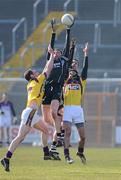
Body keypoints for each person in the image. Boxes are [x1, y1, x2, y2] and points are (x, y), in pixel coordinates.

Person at [0, 44, 55, 172]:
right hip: (31, 112)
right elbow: (48, 68)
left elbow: (46, 69)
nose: (37, 72)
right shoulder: (36, 80)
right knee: (20, 137)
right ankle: (6, 158)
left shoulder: (31, 83)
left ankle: (46, 153)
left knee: (46, 130)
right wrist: (51, 55)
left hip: (32, 113)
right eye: (34, 72)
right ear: (31, 76)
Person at [41, 19, 75, 160]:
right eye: (55, 52)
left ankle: (59, 137)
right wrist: (53, 32)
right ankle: (51, 147)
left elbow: (66, 47)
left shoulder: (63, 61)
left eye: (59, 53)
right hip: (46, 88)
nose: (57, 53)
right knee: (46, 121)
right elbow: (51, 46)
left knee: (55, 113)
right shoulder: (51, 60)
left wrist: (67, 29)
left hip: (56, 88)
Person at [63, 42, 89, 164]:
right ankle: (67, 155)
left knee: (83, 137)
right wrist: (72, 48)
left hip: (78, 110)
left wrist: (86, 55)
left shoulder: (80, 79)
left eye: (76, 64)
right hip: (67, 109)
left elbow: (85, 69)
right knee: (67, 131)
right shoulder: (64, 79)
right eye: (72, 63)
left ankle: (80, 152)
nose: (74, 65)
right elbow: (67, 62)